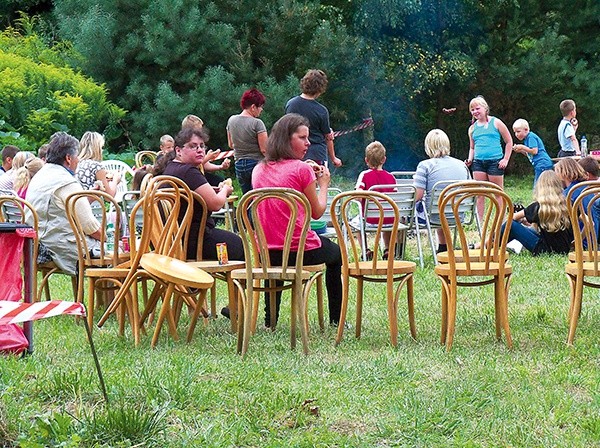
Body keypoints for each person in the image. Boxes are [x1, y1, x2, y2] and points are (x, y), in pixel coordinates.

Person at [252, 113, 342, 327]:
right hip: (300, 252)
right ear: (286, 139)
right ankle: (335, 320)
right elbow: (317, 212)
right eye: (302, 138)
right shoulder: (301, 169)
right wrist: (324, 184)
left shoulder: (258, 169)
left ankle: (270, 321)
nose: (308, 142)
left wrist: (306, 171)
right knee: (336, 254)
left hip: (265, 253)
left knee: (277, 255)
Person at [162, 127, 243, 262]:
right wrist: (225, 190)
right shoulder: (189, 171)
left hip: (173, 240)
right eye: (193, 146)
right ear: (178, 150)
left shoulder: (171, 168)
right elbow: (216, 204)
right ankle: (236, 282)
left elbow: (191, 193)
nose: (200, 150)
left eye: (201, 146)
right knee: (237, 244)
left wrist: (214, 190)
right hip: (195, 241)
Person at [25, 132, 102, 275]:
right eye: (77, 156)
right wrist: (111, 239)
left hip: (37, 247)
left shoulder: (40, 176)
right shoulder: (66, 182)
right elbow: (91, 227)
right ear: (68, 158)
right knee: (117, 258)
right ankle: (115, 298)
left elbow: (59, 207)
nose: (78, 160)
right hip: (62, 249)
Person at [414, 129, 470, 253]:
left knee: (403, 213)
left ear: (428, 146)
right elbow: (469, 190)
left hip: (434, 216)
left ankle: (396, 252)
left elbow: (417, 196)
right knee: (441, 203)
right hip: (458, 214)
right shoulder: (462, 165)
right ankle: (443, 248)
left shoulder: (425, 165)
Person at [502, 171, 572, 256]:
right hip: (565, 249)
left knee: (512, 225)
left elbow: (511, 218)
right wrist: (574, 242)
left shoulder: (538, 207)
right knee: (529, 229)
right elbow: (588, 222)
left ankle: (489, 245)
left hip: (544, 250)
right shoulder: (569, 204)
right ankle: (496, 245)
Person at [466, 96, 513, 219]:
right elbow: (472, 147)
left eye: (477, 108)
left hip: (495, 162)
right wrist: (470, 159)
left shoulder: (496, 122)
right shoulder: (472, 128)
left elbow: (509, 141)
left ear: (485, 108)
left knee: (497, 192)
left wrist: (506, 159)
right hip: (478, 163)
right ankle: (480, 221)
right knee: (480, 193)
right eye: (472, 110)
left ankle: (501, 220)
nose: (475, 112)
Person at [285, 69, 342, 167]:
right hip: (317, 155)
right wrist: (333, 158)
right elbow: (328, 137)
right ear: (320, 89)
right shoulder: (321, 110)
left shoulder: (291, 104)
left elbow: (286, 129)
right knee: (319, 182)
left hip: (295, 154)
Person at [355, 141, 397, 259]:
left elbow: (358, 196)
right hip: (389, 219)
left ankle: (365, 249)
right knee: (386, 215)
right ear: (384, 159)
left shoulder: (364, 175)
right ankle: (388, 249)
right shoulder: (391, 177)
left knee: (354, 223)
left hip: (370, 219)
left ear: (366, 160)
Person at [226, 88, 268, 194]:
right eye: (260, 107)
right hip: (256, 163)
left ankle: (245, 211)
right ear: (253, 107)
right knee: (259, 197)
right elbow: (264, 149)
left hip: (239, 164)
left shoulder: (231, 120)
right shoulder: (257, 123)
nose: (261, 110)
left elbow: (231, 144)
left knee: (247, 198)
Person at [181, 114, 231, 186]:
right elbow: (192, 166)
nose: (201, 132)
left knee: (220, 180)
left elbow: (204, 165)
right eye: (199, 129)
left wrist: (221, 166)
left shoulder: (199, 142)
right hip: (190, 177)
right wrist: (208, 157)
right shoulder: (185, 145)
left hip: (199, 174)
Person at [75, 131, 122, 197]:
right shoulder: (96, 167)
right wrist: (116, 179)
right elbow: (109, 197)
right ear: (97, 148)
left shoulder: (76, 164)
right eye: (101, 147)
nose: (102, 151)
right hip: (91, 205)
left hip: (74, 202)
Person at [512, 119, 553, 186]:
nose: (516, 134)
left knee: (538, 186)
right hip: (540, 164)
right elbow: (529, 154)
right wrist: (521, 151)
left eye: (518, 131)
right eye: (515, 132)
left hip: (542, 163)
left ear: (526, 130)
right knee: (542, 186)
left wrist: (522, 147)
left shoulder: (531, 137)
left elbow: (534, 151)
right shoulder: (526, 139)